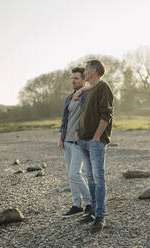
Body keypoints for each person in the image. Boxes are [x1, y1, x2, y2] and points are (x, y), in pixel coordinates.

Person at [76, 60, 114, 233]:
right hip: (83, 140)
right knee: (90, 178)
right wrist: (78, 133)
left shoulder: (103, 88)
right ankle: (92, 212)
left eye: (86, 69)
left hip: (95, 141)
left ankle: (100, 216)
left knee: (98, 179)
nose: (84, 71)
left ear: (94, 70)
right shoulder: (90, 90)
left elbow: (106, 114)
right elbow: (84, 114)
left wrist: (97, 137)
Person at [58, 67, 92, 218]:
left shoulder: (87, 95)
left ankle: (90, 202)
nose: (73, 80)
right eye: (72, 78)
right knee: (70, 175)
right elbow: (64, 120)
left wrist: (82, 90)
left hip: (79, 141)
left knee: (74, 174)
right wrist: (61, 137)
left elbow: (94, 86)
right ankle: (76, 205)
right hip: (67, 141)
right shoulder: (69, 98)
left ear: (84, 80)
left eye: (76, 78)